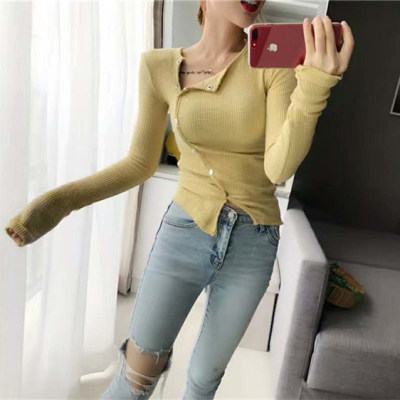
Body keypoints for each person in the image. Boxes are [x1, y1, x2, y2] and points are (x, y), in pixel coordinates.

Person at [5, 0, 354, 399]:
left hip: (254, 244)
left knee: (204, 382)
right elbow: (139, 163)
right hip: (183, 232)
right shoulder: (158, 66)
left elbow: (278, 169)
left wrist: (315, 86)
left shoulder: (274, 67)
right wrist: (57, 203)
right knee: (136, 378)